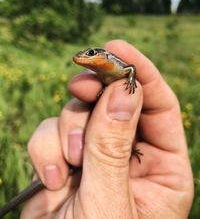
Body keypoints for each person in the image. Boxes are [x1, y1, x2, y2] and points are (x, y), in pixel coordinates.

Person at [20, 40, 194, 219]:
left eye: (89, 54)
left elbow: (131, 69)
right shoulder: (101, 76)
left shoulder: (116, 65)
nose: (83, 57)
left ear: (103, 55)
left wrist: (130, 83)